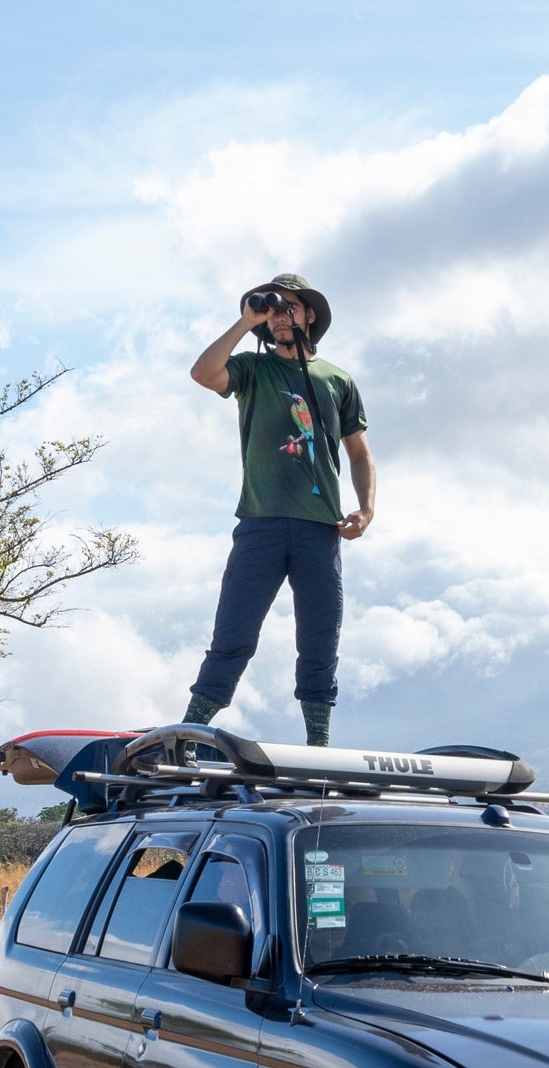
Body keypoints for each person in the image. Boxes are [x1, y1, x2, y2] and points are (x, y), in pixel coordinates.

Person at [179, 274, 375, 748]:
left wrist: (366, 510)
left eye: (290, 306)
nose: (281, 315)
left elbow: (360, 453)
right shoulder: (251, 368)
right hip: (260, 525)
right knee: (233, 635)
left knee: (320, 641)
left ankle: (319, 749)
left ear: (311, 314)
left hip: (320, 529)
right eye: (274, 308)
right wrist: (246, 322)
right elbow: (204, 374)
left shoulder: (338, 379)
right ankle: (187, 736)